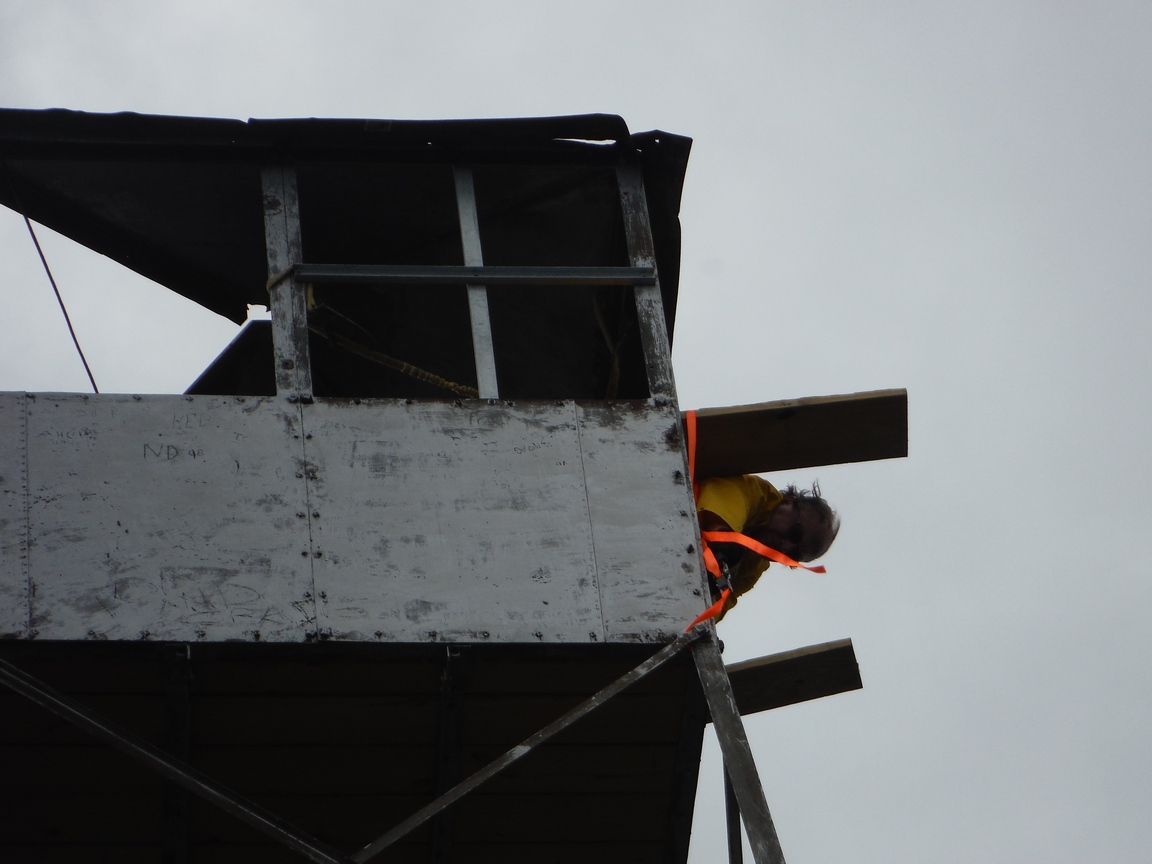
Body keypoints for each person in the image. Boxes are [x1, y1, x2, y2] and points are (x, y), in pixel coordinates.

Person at [696, 475, 839, 615]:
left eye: (794, 554)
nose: (786, 546)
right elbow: (727, 503)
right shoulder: (758, 493)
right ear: (788, 502)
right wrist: (724, 541)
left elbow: (716, 608)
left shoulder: (754, 568)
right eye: (795, 532)